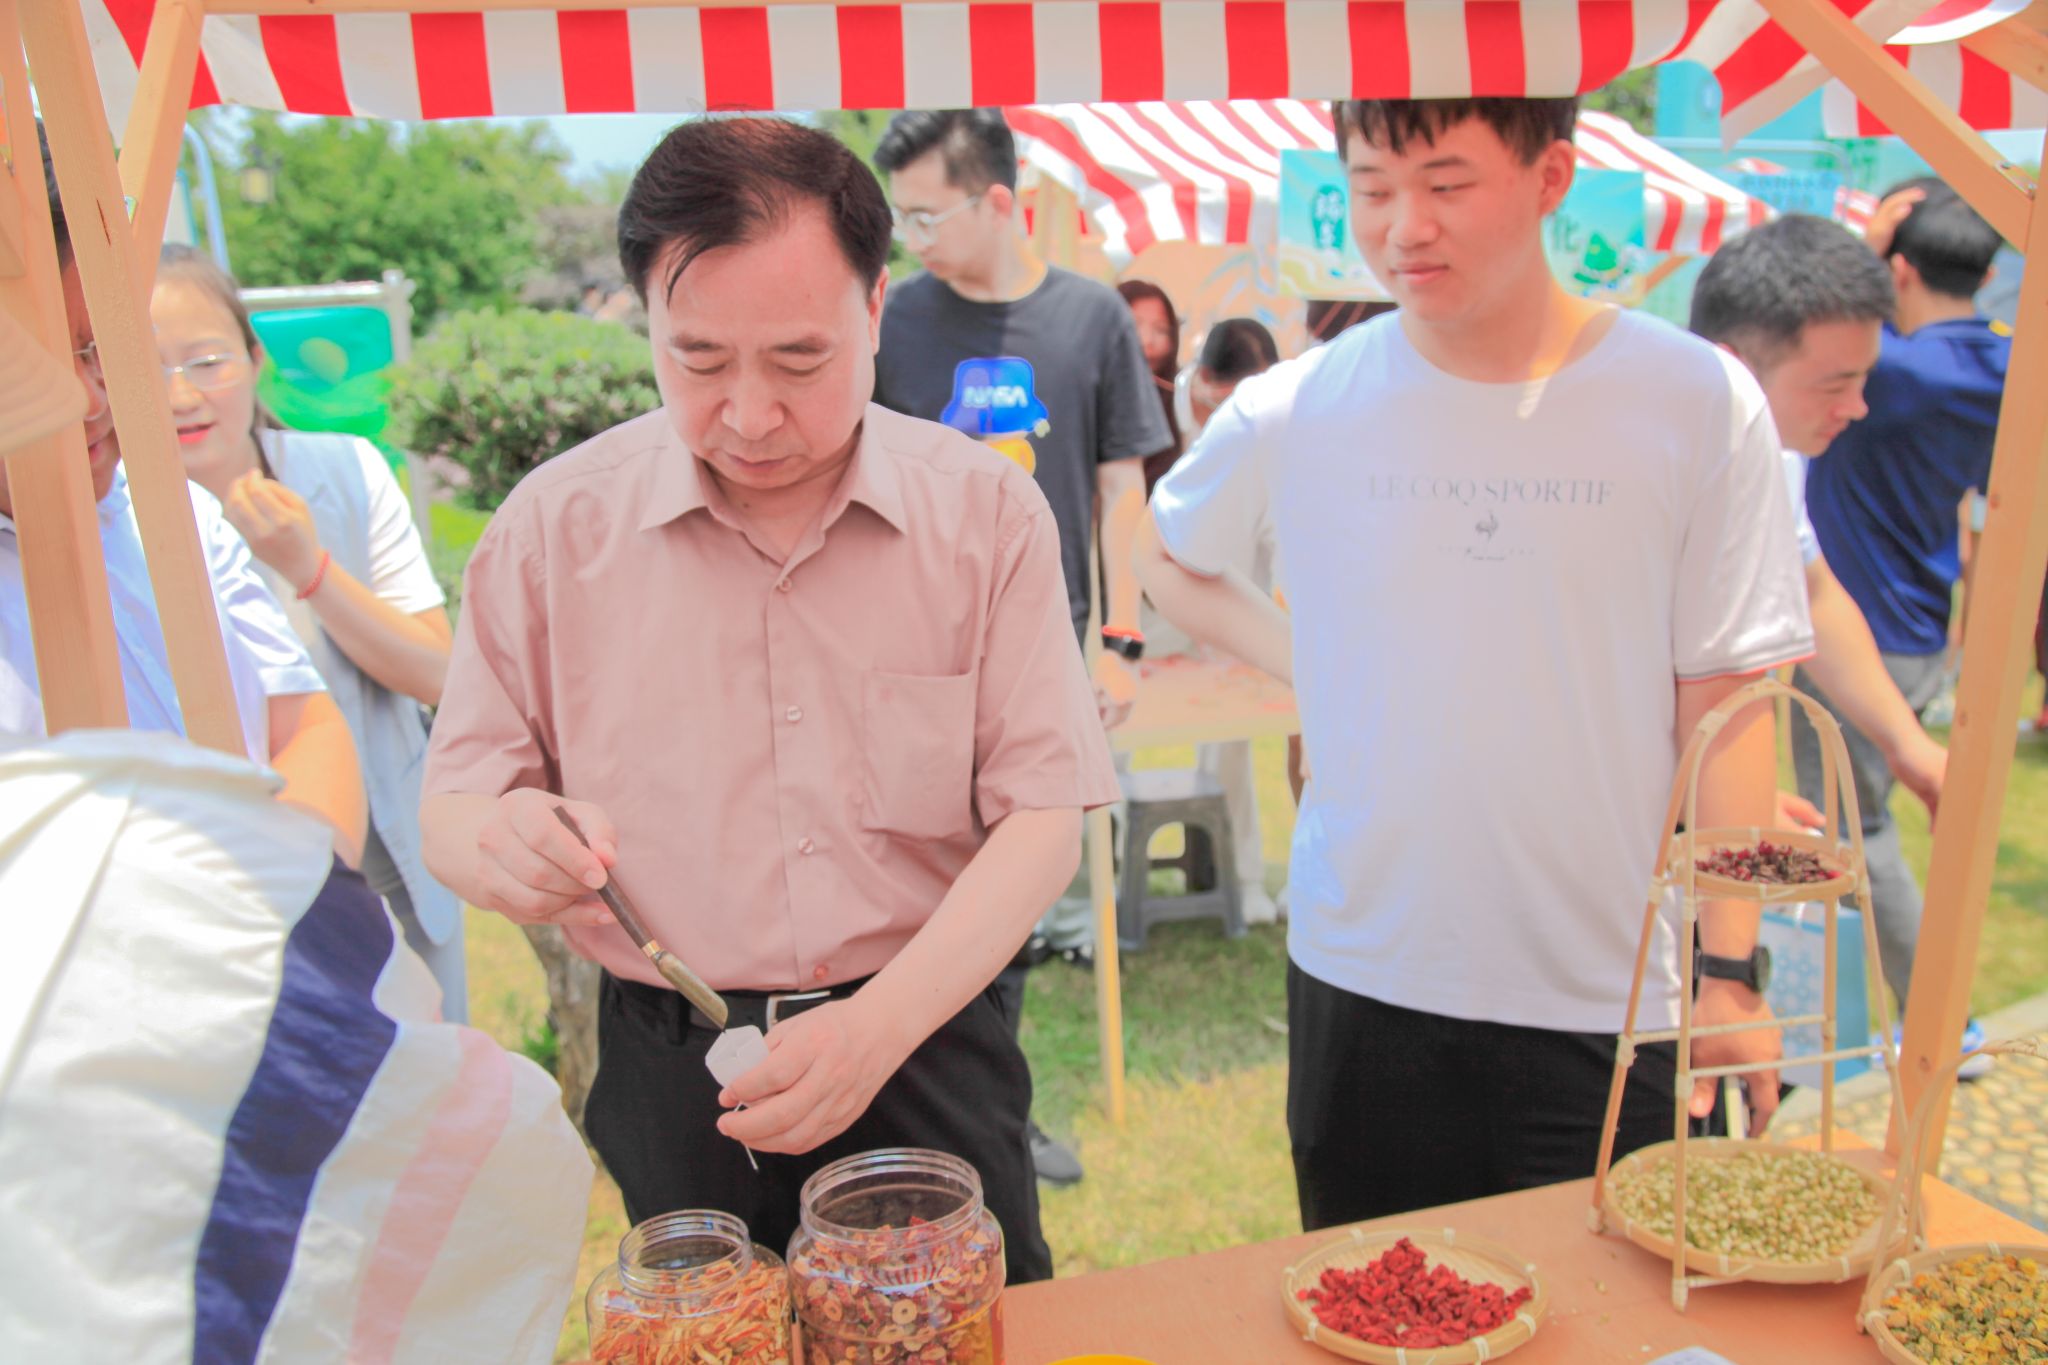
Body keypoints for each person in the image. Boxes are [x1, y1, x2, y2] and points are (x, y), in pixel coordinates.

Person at [419, 117, 1116, 1283]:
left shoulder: (981, 516)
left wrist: (877, 1028)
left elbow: (1043, 814)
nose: (748, 414)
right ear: (645, 319)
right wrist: (501, 844)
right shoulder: (553, 531)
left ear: (875, 308)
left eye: (799, 361)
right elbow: (452, 805)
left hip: (923, 1036)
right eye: (697, 361)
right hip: (675, 1058)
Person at [1135, 96, 1809, 1228]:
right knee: (1372, 1298)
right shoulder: (1300, 404)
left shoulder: (1692, 399)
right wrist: (1320, 668)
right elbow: (1163, 552)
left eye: (1445, 185)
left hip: (1615, 991)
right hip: (1367, 976)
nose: (1403, 227)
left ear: (1551, 176)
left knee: (1612, 1304)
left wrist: (1728, 969)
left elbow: (1728, 701)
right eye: (1370, 189)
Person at [870, 109, 1174, 1187]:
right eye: (900, 218)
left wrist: (1120, 637)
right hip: (904, 661)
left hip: (1043, 657)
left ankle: (994, 1114)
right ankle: (929, 1105)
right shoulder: (891, 317)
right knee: (915, 892)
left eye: (926, 215)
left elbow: (1120, 487)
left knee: (1015, 892)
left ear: (998, 201)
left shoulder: (1091, 317)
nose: (911, 237)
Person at [2, 122, 364, 865]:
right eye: (34, 359)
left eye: (99, 345)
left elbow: (303, 726)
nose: (89, 396)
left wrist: (305, 907)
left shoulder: (178, 514)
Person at [149, 245, 467, 1021]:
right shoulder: (114, 523)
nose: (182, 395)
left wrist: (309, 567)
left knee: (436, 1071)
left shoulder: (347, 471)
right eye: (147, 369)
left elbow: (439, 673)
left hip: (389, 863)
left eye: (207, 362)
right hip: (215, 898)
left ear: (256, 359)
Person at [1798, 180, 2007, 1012]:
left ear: (1901, 269)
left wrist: (1861, 250)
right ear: (1986, 275)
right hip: (1923, 623)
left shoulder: (1888, 365)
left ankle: (1936, 1019)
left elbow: (1802, 318)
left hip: (1851, 630)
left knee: (1853, 834)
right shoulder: (2008, 363)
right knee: (1869, 823)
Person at [1688, 215, 1947, 827]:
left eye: (1864, 379)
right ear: (1732, 367)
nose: (1857, 408)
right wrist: (1705, 792)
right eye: (1835, 386)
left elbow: (1812, 591)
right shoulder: (1628, 472)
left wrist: (1908, 747)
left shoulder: (1773, 452)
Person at [1116, 279, 1184, 493]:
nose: (1147, 341)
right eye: (1134, 325)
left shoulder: (1183, 403)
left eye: (1161, 330)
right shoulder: (1083, 397)